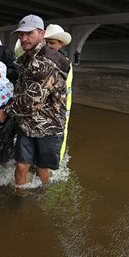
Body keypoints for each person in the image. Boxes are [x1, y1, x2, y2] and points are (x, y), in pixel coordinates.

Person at [0, 15, 69, 196]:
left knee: (42, 168)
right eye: (21, 35)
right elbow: (21, 92)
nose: (24, 38)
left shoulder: (47, 62)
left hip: (48, 126)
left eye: (29, 33)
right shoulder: (28, 59)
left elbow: (32, 101)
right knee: (21, 166)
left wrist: (7, 110)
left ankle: (43, 198)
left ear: (42, 34)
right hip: (27, 124)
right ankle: (19, 200)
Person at [44, 24, 73, 162]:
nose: (48, 46)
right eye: (46, 42)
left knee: (60, 135)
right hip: (48, 108)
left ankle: (58, 163)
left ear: (60, 44)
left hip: (60, 107)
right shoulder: (45, 59)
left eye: (52, 43)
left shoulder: (64, 63)